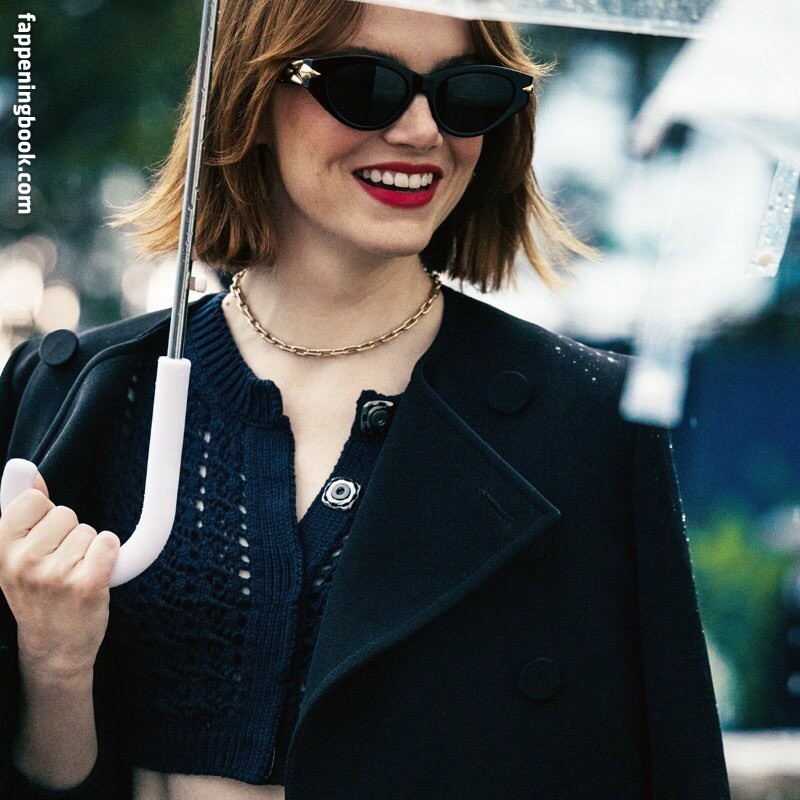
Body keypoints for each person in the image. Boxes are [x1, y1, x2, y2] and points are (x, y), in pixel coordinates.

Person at [0, 0, 732, 798]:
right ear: (250, 96)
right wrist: (54, 659)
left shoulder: (589, 422)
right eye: (365, 85)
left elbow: (666, 768)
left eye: (467, 93)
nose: (422, 131)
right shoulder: (79, 395)